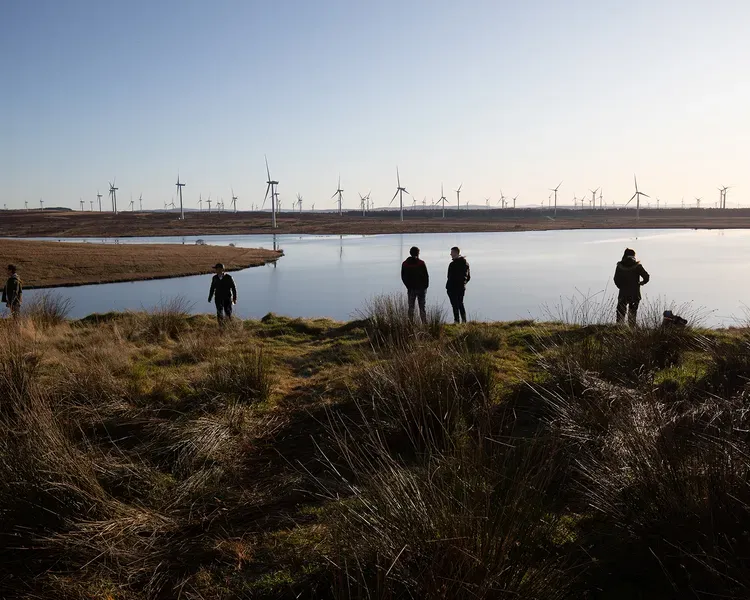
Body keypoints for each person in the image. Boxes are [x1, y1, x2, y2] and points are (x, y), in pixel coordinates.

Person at [613, 248, 649, 326]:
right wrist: (641, 283)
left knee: (620, 313)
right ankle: (631, 331)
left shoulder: (619, 266)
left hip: (623, 293)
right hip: (635, 293)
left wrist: (621, 287)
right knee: (632, 314)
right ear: (633, 256)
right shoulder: (637, 266)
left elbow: (616, 279)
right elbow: (646, 277)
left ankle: (619, 329)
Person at [401, 246, 429, 323]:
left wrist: (408, 286)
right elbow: (426, 276)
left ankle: (410, 324)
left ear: (410, 253)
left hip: (411, 289)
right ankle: (424, 323)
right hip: (421, 289)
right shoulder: (421, 263)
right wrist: (425, 286)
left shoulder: (405, 263)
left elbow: (403, 276)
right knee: (422, 307)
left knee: (411, 307)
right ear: (418, 253)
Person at [446, 247, 470, 324]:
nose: (450, 254)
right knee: (460, 303)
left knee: (455, 305)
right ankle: (464, 321)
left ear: (456, 253)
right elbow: (468, 277)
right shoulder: (466, 263)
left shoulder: (452, 264)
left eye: (452, 253)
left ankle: (456, 321)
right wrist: (464, 283)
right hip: (461, 287)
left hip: (452, 288)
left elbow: (449, 276)